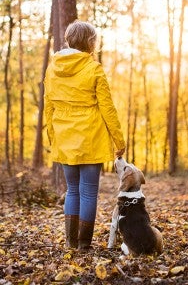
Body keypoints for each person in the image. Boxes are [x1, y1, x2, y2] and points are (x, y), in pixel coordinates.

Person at [44, 20, 125, 250]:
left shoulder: (53, 69)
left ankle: (70, 242)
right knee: (88, 192)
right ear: (91, 43)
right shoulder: (94, 68)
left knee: (72, 190)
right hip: (91, 137)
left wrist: (54, 137)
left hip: (65, 138)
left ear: (69, 40)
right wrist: (118, 140)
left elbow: (48, 106)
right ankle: (83, 244)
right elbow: (107, 108)